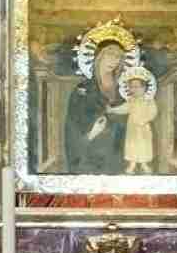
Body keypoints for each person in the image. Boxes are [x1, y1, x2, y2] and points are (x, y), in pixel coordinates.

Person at [64, 41, 128, 174]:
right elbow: (72, 128)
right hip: (90, 158)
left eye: (118, 56)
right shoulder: (82, 90)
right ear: (99, 57)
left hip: (119, 156)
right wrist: (91, 133)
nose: (114, 60)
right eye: (109, 54)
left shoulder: (124, 91)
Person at [107, 67, 158, 173]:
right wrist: (113, 110)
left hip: (143, 128)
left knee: (144, 146)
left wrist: (144, 120)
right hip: (133, 128)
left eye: (137, 87)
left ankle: (144, 165)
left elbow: (153, 112)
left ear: (144, 88)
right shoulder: (131, 101)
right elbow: (124, 108)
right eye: (131, 87)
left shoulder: (148, 101)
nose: (134, 89)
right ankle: (132, 165)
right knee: (132, 146)